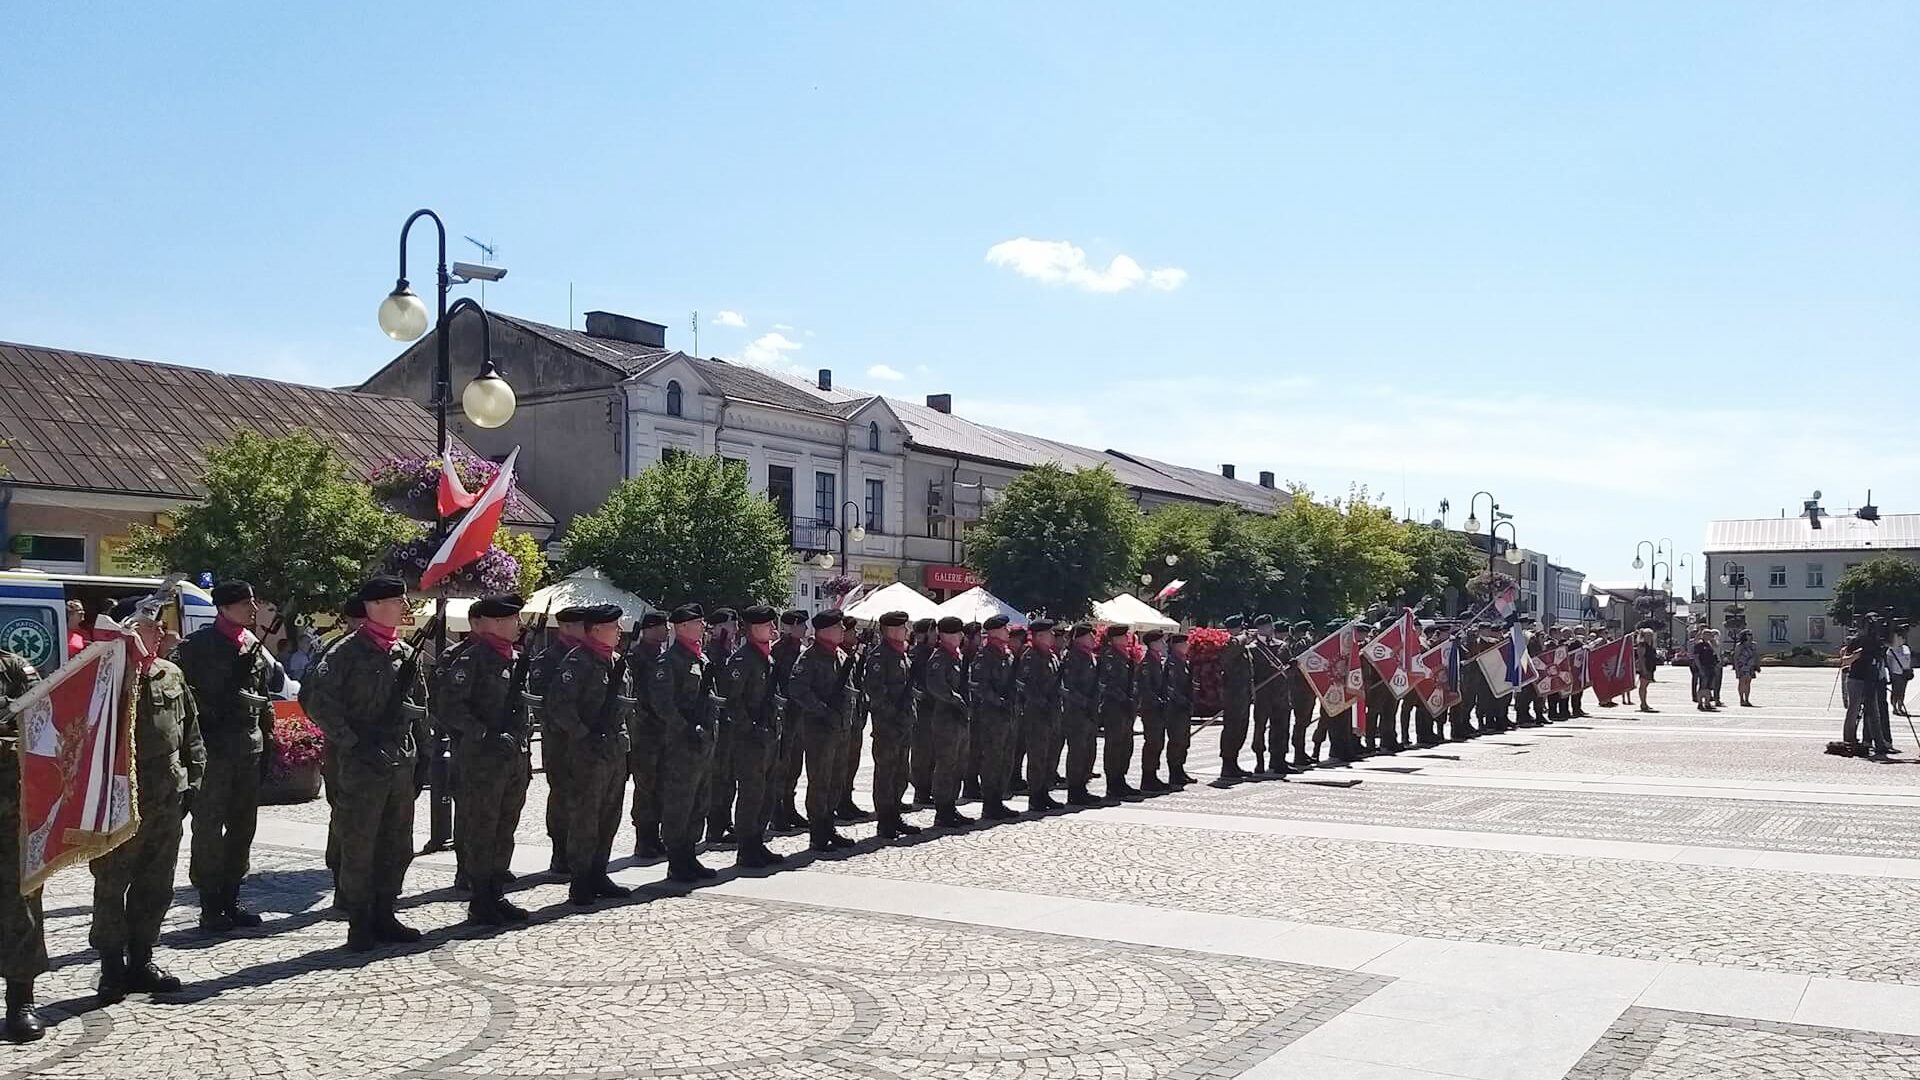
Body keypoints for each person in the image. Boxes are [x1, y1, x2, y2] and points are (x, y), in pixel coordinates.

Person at [303, 576, 428, 951]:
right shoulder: (344, 653)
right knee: (360, 843)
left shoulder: (404, 653)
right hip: (360, 765)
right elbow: (317, 703)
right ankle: (359, 920)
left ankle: (385, 912)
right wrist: (353, 741)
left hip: (398, 762)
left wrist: (422, 756)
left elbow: (420, 709)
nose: (403, 607)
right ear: (374, 606)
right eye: (396, 601)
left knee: (397, 843)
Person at [91, 599, 205, 1003]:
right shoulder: (106, 674)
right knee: (111, 884)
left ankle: (142, 959)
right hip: (119, 798)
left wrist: (193, 779)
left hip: (166, 796)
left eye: (159, 627)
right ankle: (111, 967)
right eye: (149, 626)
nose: (160, 633)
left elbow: (190, 730)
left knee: (156, 884)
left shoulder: (170, 673)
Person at [173, 580, 276, 932]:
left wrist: (269, 739)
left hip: (248, 749)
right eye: (245, 603)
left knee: (242, 827)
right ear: (224, 607)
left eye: (253, 602)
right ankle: (209, 903)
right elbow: (181, 699)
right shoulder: (196, 647)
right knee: (208, 828)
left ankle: (232, 897)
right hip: (212, 752)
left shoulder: (253, 645)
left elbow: (263, 699)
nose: (252, 609)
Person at [433, 594, 533, 926]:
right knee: (481, 828)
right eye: (510, 619)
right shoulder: (472, 659)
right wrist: (485, 734)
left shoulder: (514, 659)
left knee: (505, 827)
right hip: (481, 761)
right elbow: (449, 707)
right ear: (492, 622)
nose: (517, 625)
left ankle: (495, 892)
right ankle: (480, 898)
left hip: (512, 759)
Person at [650, 605, 718, 882]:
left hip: (702, 744)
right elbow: (662, 704)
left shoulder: (699, 658)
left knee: (699, 801)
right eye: (698, 623)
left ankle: (690, 854)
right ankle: (676, 859)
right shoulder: (670, 662)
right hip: (681, 744)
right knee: (680, 802)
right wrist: (687, 729)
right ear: (682, 627)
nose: (703, 627)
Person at [0, 647, 47, 1041]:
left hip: (11, 810)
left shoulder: (12, 667)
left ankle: (21, 1000)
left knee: (21, 901)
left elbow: (43, 719)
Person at [788, 609, 857, 849]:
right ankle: (818, 832)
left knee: (837, 779)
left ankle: (830, 826)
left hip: (839, 728)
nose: (842, 631)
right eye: (838, 627)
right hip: (819, 730)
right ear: (824, 631)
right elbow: (797, 690)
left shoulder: (839, 655)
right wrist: (822, 710)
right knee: (820, 781)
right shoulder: (810, 658)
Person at [528, 606, 587, 873]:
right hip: (560, 740)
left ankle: (581, 851)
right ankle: (560, 851)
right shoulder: (548, 659)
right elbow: (542, 702)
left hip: (585, 741)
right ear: (564, 627)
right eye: (579, 625)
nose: (584, 630)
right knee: (563, 795)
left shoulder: (588, 658)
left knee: (585, 796)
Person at [864, 611, 921, 838]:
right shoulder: (880, 657)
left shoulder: (902, 655)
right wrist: (893, 714)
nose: (906, 631)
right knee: (886, 774)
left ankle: (895, 814)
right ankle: (885, 820)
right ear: (891, 631)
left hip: (903, 723)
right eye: (902, 627)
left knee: (900, 773)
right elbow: (876, 692)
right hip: (888, 725)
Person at [922, 616, 975, 826]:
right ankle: (942, 810)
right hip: (946, 719)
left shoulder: (958, 657)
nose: (960, 636)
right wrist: (956, 700)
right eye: (956, 633)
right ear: (944, 635)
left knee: (959, 764)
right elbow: (935, 687)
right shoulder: (939, 659)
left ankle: (951, 805)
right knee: (946, 765)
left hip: (961, 719)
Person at [626, 611, 670, 858]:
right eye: (661, 627)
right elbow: (636, 696)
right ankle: (644, 838)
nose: (665, 632)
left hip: (663, 731)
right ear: (649, 629)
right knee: (646, 787)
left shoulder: (663, 657)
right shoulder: (636, 657)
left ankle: (657, 835)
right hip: (644, 732)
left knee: (663, 785)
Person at [969, 614, 1021, 819]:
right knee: (992, 759)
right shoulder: (985, 656)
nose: (1008, 632)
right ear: (994, 632)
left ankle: (998, 799)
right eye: (1004, 629)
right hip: (991, 716)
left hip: (1007, 715)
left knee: (1006, 758)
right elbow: (980, 686)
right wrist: (998, 701)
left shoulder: (1007, 655)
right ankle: (990, 803)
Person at [1017, 619, 1064, 811]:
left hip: (1051, 713)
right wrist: (1039, 701)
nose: (1053, 636)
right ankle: (1035, 795)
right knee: (1037, 756)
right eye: (1049, 633)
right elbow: (1024, 685)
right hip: (1036, 714)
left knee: (1049, 755)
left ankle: (1044, 791)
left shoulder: (1051, 656)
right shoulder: (1031, 657)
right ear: (1038, 636)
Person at [769, 609, 810, 830]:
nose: (805, 629)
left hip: (799, 714)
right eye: (801, 625)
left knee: (795, 764)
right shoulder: (778, 651)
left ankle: (789, 806)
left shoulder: (802, 651)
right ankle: (776, 810)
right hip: (784, 715)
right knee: (781, 764)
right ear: (791, 626)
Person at [1839, 616, 1893, 759]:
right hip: (1856, 679)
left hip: (1871, 680)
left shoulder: (1877, 642)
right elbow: (1844, 659)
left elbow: (1890, 647)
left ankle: (1879, 743)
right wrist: (1856, 655)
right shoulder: (1857, 640)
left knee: (1874, 712)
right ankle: (1849, 740)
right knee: (1854, 710)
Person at [1216, 616, 1252, 779]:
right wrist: (1244, 636)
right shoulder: (1230, 643)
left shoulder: (1241, 646)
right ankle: (1227, 764)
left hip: (1242, 694)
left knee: (1240, 730)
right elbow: (1233, 648)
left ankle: (1234, 762)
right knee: (1232, 729)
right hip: (1233, 694)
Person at [1135, 629, 1169, 790]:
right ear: (1153, 644)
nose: (1163, 644)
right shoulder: (1148, 662)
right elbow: (1145, 688)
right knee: (1152, 742)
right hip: (1151, 709)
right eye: (1161, 641)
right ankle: (1147, 777)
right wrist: (1158, 701)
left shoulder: (1157, 660)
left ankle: (1153, 775)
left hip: (1158, 709)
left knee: (1158, 742)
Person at [1690, 631, 1720, 712]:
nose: (1710, 636)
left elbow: (1714, 654)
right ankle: (1700, 703)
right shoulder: (1699, 644)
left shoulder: (1709, 644)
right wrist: (1700, 668)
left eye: (1710, 635)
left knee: (1709, 687)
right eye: (1707, 634)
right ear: (1703, 635)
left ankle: (1707, 702)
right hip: (1703, 667)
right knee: (1703, 686)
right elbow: (1696, 657)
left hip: (1710, 667)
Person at [1886, 626, 1911, 719]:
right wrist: (1890, 672)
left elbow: (1908, 660)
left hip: (1904, 673)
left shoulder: (1906, 648)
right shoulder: (1891, 650)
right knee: (1895, 691)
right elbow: (1888, 662)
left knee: (1902, 691)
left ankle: (1900, 706)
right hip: (1895, 673)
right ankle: (1894, 707)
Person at [1635, 629, 1660, 714]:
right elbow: (1641, 658)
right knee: (1643, 686)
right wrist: (1644, 669)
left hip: (1650, 667)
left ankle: (1645, 702)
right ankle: (1643, 703)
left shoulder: (1651, 645)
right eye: (1648, 635)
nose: (1650, 637)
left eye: (1651, 635)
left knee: (1645, 686)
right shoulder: (1642, 645)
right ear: (1644, 636)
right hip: (1644, 667)